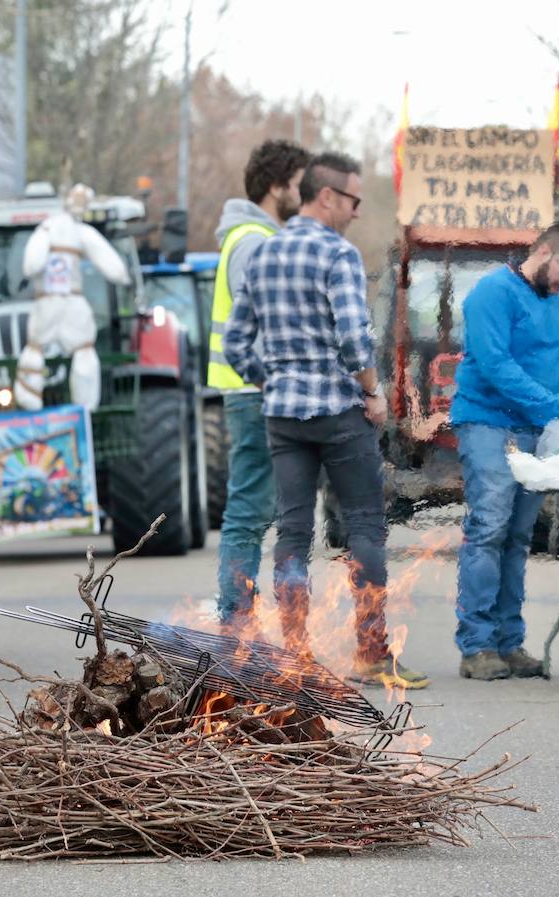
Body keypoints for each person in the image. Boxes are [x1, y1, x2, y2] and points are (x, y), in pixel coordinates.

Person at [223, 151, 429, 690]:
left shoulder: (264, 254)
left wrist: (269, 380)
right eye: (355, 200)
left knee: (292, 532)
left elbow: (235, 342)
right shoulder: (336, 255)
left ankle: (295, 654)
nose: (358, 211)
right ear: (328, 197)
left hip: (283, 418)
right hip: (340, 412)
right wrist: (373, 391)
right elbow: (352, 338)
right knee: (364, 524)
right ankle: (372, 651)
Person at [450, 221, 559, 681]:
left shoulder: (556, 303)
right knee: (489, 526)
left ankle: (509, 642)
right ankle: (477, 646)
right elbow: (495, 366)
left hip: (535, 430)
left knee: (516, 535)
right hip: (488, 421)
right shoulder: (492, 293)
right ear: (543, 251)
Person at [209, 139, 311, 636]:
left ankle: (240, 625)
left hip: (254, 392)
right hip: (255, 394)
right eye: (297, 185)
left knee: (255, 511)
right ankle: (237, 629)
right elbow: (268, 323)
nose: (303, 193)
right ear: (276, 187)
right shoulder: (254, 241)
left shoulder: (253, 235)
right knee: (249, 514)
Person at [16, 183, 130, 410]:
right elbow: (114, 268)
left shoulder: (46, 230)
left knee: (36, 347)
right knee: (84, 349)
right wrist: (126, 278)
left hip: (47, 304)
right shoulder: (80, 232)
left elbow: (31, 265)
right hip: (71, 304)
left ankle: (30, 398)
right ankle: (85, 408)